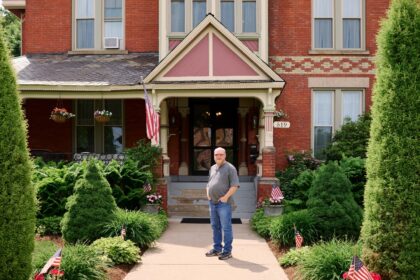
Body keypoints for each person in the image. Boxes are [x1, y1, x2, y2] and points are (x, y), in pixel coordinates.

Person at [205, 147, 239, 260]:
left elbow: (234, 186)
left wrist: (225, 197)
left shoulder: (230, 168)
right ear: (214, 156)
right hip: (212, 202)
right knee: (215, 226)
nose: (218, 156)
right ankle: (217, 249)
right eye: (216, 155)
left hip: (223, 203)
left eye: (221, 154)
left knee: (226, 227)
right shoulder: (212, 168)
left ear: (225, 155)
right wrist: (208, 194)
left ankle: (227, 251)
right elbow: (209, 183)